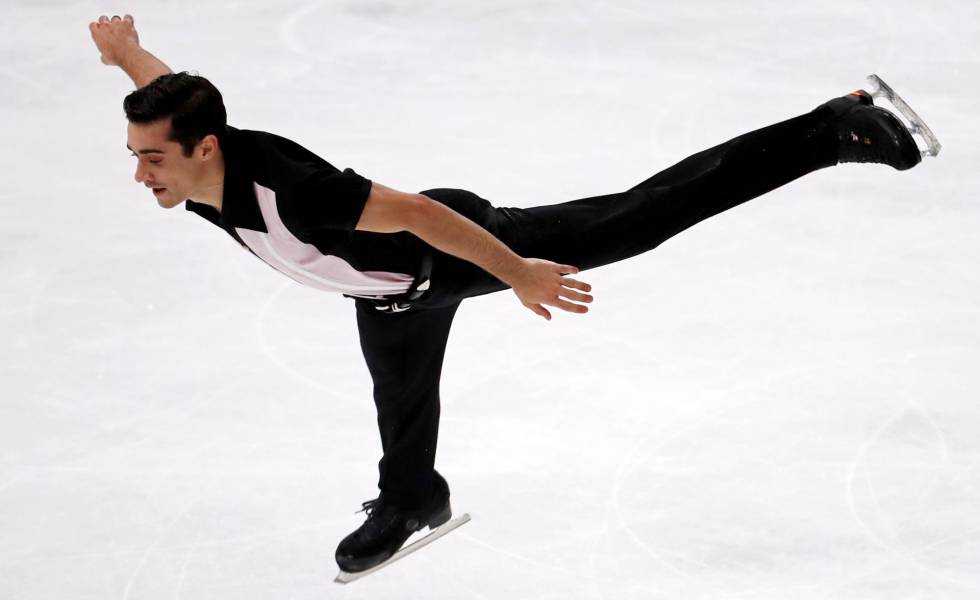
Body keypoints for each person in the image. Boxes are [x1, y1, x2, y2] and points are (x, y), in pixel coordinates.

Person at [89, 14, 929, 573]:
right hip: (389, 295)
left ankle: (835, 128)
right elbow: (179, 102)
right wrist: (130, 58)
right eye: (136, 153)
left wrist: (518, 271)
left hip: (450, 248)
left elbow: (418, 214)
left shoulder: (292, 190)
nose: (139, 173)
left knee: (638, 218)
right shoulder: (196, 168)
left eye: (150, 157)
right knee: (400, 397)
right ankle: (413, 497)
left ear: (201, 148)